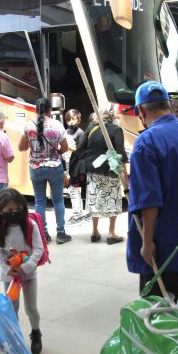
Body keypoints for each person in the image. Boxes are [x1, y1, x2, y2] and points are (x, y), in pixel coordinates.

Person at [127, 81, 178, 301]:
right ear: (168, 106)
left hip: (163, 245)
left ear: (141, 111)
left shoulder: (146, 142)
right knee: (173, 305)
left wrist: (146, 242)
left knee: (156, 317)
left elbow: (149, 200)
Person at [0, 188, 44, 354]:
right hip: (10, 275)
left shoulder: (30, 224)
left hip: (28, 274)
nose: (14, 213)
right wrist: (8, 269)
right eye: (9, 210)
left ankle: (36, 333)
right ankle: (14, 337)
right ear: (0, 211)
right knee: (11, 308)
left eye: (17, 209)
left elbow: (38, 248)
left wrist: (26, 267)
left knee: (31, 308)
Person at [19, 98, 71, 244]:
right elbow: (65, 147)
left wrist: (33, 146)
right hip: (55, 167)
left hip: (36, 167)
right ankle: (61, 233)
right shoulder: (57, 125)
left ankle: (43, 234)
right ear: (49, 110)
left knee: (40, 202)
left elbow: (21, 147)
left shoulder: (29, 125)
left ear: (36, 109)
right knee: (58, 200)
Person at [76, 109, 128, 244]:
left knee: (94, 199)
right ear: (111, 118)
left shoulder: (91, 128)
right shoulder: (116, 130)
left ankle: (94, 232)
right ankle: (111, 233)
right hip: (111, 170)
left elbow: (80, 148)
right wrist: (125, 175)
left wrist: (87, 160)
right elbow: (120, 152)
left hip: (93, 170)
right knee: (113, 200)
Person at [64, 109, 88, 224]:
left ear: (78, 119)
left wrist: (68, 147)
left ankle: (77, 215)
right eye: (68, 119)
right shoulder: (66, 131)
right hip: (68, 162)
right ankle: (78, 214)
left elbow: (81, 151)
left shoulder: (81, 133)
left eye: (73, 119)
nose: (71, 122)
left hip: (76, 164)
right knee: (72, 189)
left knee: (74, 189)